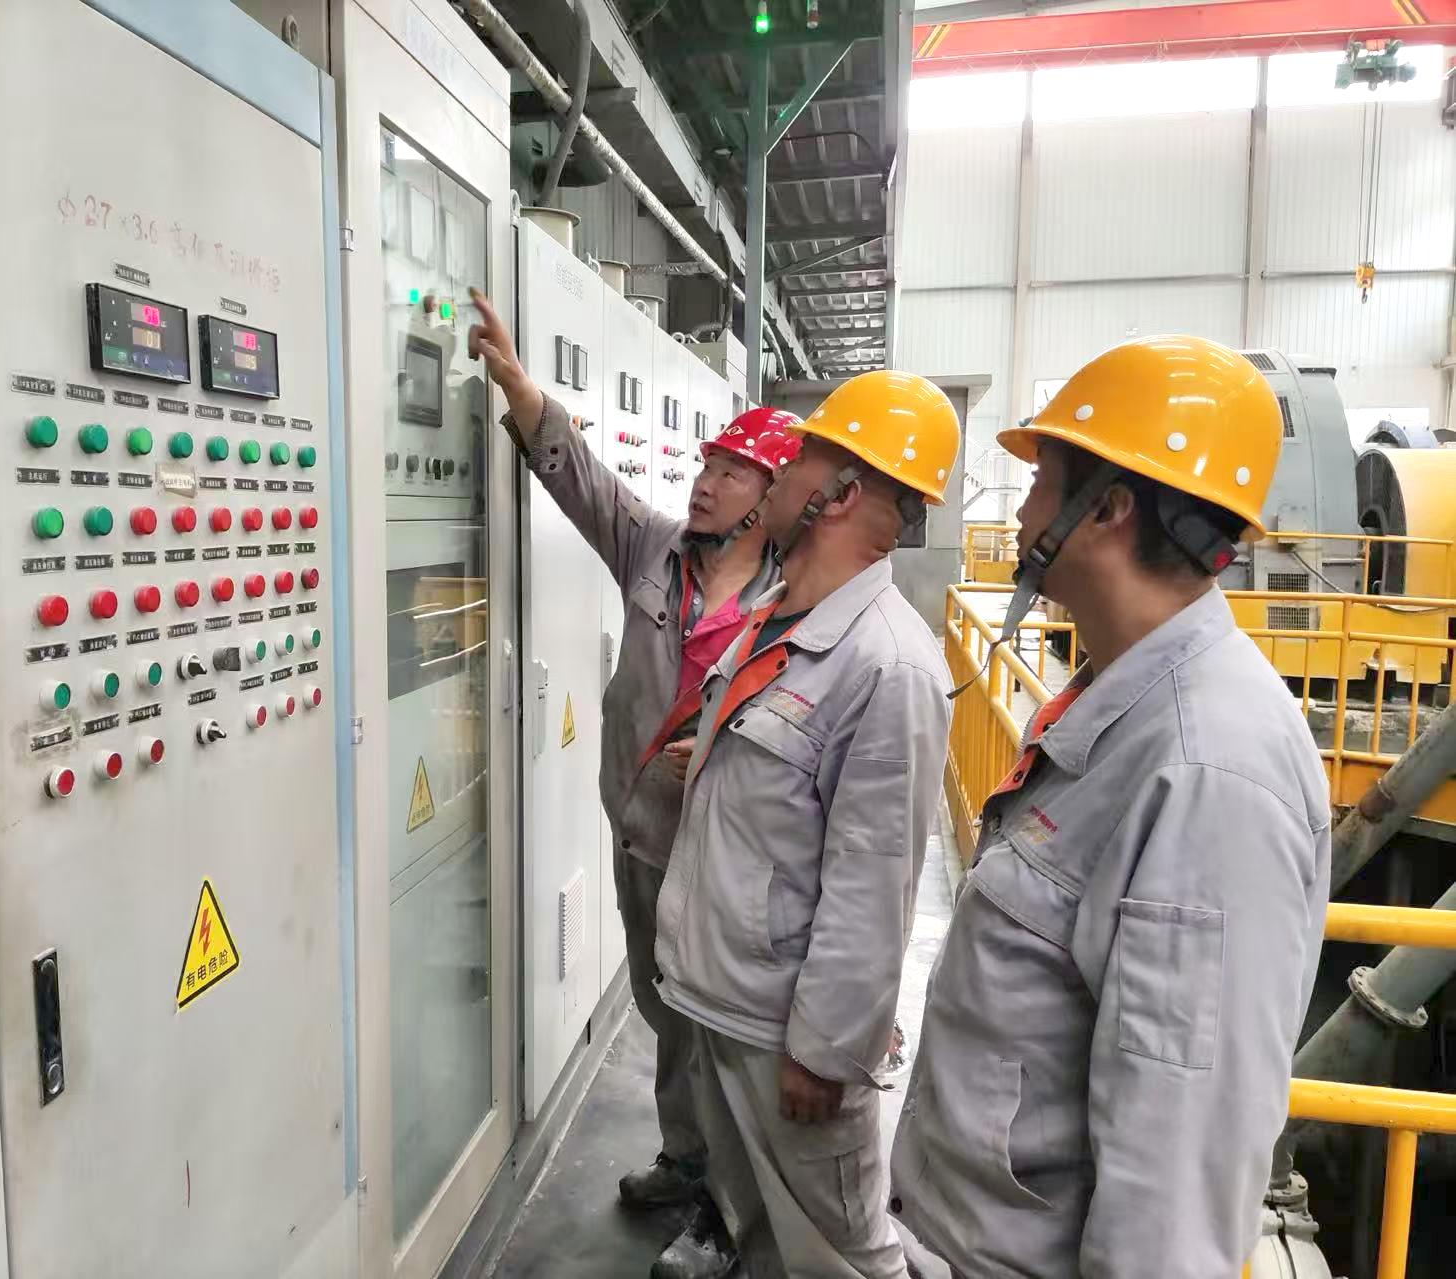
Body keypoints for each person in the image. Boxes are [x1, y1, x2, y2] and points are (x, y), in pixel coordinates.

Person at [890, 336, 1331, 1279]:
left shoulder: (1210, 773)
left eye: (1039, 481)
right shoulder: (1125, 696)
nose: (1021, 511)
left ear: (1109, 508)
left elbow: (1173, 1185)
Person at [466, 288, 798, 1278]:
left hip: (727, 853)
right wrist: (518, 386)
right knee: (663, 1010)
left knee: (718, 1032)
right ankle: (686, 1159)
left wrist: (735, 746)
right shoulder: (656, 551)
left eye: (732, 472)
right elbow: (584, 481)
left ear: (770, 498)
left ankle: (726, 1212)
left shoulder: (793, 599)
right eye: (706, 465)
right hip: (645, 829)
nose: (706, 483)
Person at [643, 370, 959, 1279]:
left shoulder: (889, 664)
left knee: (839, 1259)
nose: (777, 474)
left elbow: (875, 880)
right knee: (762, 1240)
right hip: (720, 998)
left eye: (800, 460)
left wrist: (826, 1052)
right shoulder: (776, 615)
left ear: (841, 493)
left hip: (786, 1036)